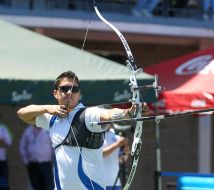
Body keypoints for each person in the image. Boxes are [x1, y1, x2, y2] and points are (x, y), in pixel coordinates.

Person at [17, 70, 149, 190]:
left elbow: (108, 114)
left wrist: (130, 112)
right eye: (65, 88)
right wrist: (48, 108)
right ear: (55, 93)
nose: (70, 92)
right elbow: (22, 113)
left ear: (79, 94)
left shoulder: (88, 114)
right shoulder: (51, 119)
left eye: (74, 89)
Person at [19, 125, 54, 190]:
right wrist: (25, 160)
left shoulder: (47, 130)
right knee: (35, 186)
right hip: (32, 164)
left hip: (46, 164)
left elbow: (53, 146)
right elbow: (22, 146)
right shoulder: (28, 131)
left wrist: (53, 161)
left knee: (48, 185)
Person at [0, 114, 12, 190]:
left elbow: (8, 142)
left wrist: (1, 143)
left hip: (2, 160)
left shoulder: (3, 128)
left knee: (3, 183)